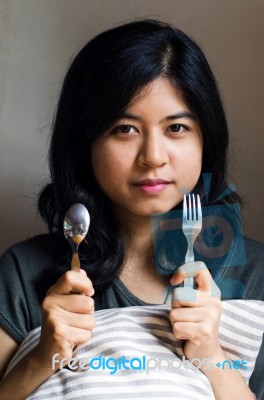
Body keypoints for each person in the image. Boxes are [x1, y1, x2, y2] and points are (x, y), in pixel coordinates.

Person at [0, 19, 263, 399]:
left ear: (207, 139)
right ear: (84, 143)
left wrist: (210, 354)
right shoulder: (21, 274)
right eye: (125, 129)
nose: (152, 157)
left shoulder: (255, 275)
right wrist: (45, 355)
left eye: (176, 128)